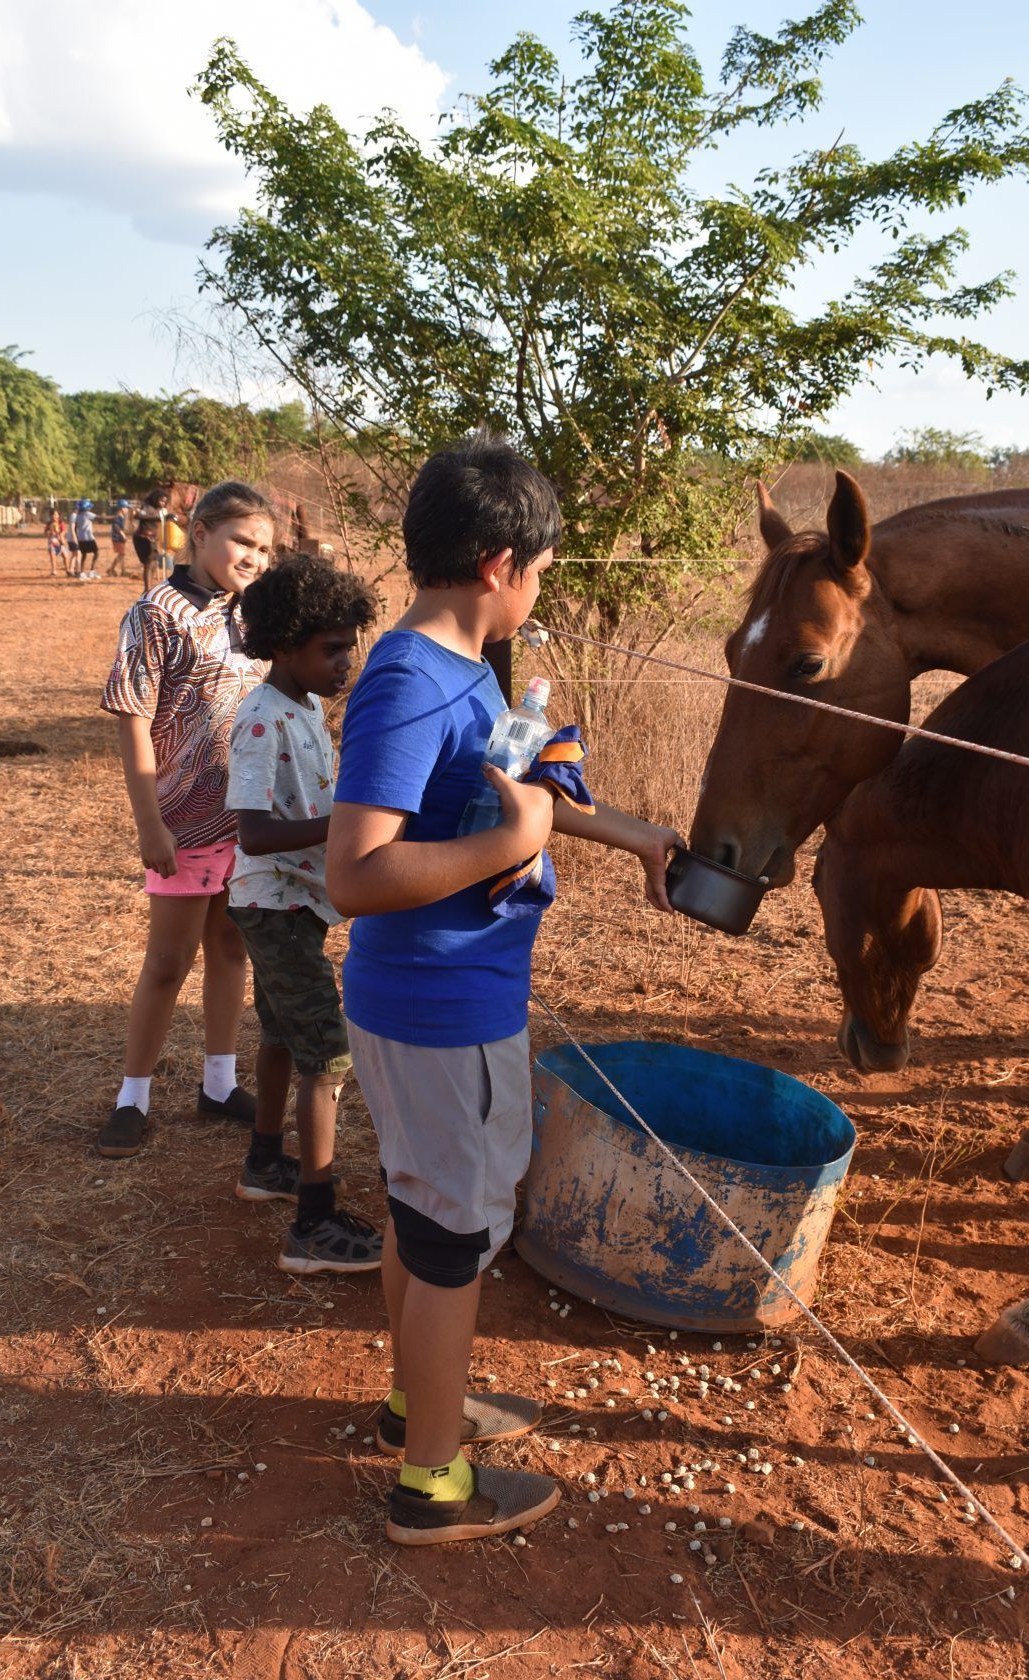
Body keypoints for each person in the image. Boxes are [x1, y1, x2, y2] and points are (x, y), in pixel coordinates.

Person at [326, 431, 681, 1547]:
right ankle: (432, 1483)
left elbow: (504, 789)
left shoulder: (463, 671)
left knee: (424, 1214)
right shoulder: (407, 684)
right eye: (538, 569)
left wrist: (629, 835)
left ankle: (411, 1408)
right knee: (453, 1242)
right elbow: (354, 873)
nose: (540, 588)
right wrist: (509, 844)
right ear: (496, 563)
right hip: (442, 1011)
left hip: (430, 1004)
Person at [97, 481, 277, 1159]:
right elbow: (134, 722)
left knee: (231, 947)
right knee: (168, 961)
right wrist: (150, 824)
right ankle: (132, 1098)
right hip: (180, 824)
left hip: (244, 822)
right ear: (199, 532)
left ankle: (219, 1083)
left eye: (263, 547)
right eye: (241, 541)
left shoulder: (254, 615)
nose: (253, 556)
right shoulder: (156, 614)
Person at [226, 554, 383, 1275]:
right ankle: (314, 1223)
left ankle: (265, 1163)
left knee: (284, 1034)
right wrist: (339, 823)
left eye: (349, 647)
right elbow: (253, 832)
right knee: (328, 1050)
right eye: (331, 649)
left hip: (291, 902)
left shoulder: (307, 707)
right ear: (284, 645)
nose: (344, 661)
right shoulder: (261, 722)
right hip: (275, 903)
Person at [133, 490, 168, 593]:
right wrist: (155, 517)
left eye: (165, 502)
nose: (163, 503)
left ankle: (150, 587)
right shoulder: (147, 507)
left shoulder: (159, 510)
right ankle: (147, 589)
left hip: (152, 539)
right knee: (148, 563)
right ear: (155, 499)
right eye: (161, 501)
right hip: (143, 538)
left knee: (154, 563)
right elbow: (138, 515)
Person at [74, 499, 100, 580]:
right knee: (96, 553)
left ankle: (82, 573)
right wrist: (114, 516)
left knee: (84, 555)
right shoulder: (88, 514)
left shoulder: (78, 516)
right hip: (89, 538)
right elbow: (100, 517)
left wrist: (77, 537)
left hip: (81, 539)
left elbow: (75, 528)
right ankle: (91, 571)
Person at [109, 499, 130, 576]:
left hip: (119, 538)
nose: (127, 510)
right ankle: (111, 569)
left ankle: (123, 571)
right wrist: (123, 535)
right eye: (126, 508)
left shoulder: (121, 517)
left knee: (122, 555)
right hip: (117, 538)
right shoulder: (118, 517)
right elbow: (117, 527)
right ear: (122, 508)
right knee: (121, 554)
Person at [45, 508, 66, 577]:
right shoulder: (49, 524)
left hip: (60, 543)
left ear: (59, 515)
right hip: (52, 543)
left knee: (66, 556)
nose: (54, 516)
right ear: (50, 516)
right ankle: (54, 570)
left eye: (56, 514)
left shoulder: (61, 523)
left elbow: (63, 531)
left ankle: (68, 569)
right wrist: (51, 532)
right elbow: (46, 533)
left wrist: (60, 535)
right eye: (52, 515)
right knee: (53, 556)